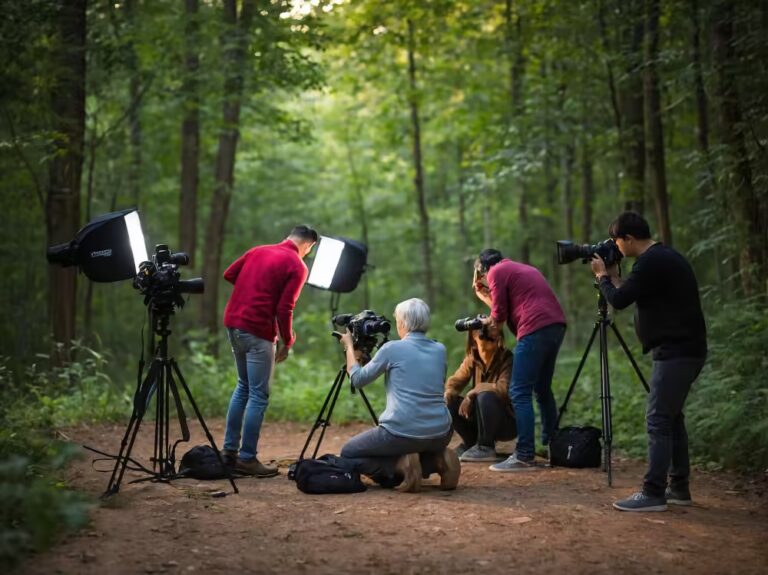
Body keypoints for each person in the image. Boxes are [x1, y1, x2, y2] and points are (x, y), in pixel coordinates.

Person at [591, 211, 706, 512]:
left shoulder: (652, 261)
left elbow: (617, 300)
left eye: (617, 242)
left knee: (657, 419)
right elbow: (628, 291)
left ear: (629, 238)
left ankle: (653, 492)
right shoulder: (662, 257)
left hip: (677, 352)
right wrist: (614, 277)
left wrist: (603, 277)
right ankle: (678, 487)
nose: (616, 247)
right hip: (685, 349)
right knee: (671, 418)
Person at [220, 225, 318, 477]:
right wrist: (288, 340)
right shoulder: (297, 265)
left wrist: (250, 290)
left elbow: (229, 274)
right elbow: (285, 308)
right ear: (308, 245)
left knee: (243, 386)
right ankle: (247, 459)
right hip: (257, 330)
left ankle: (229, 452)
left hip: (233, 324)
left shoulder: (258, 251)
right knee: (258, 395)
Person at [338, 298, 460, 492]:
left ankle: (402, 467)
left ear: (402, 323)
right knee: (418, 445)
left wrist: (349, 347)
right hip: (441, 432)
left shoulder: (391, 349)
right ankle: (439, 461)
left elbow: (357, 379)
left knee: (349, 453)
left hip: (402, 432)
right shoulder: (440, 349)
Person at [473, 249, 567, 471]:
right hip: (555, 326)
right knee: (542, 389)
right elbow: (504, 309)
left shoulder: (495, 272)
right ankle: (553, 445)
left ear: (482, 269)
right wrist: (487, 296)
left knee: (519, 391)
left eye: (480, 274)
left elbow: (498, 319)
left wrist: (481, 295)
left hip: (534, 328)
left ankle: (524, 454)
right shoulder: (521, 268)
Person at [444, 323, 517, 462]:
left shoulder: (507, 358)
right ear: (473, 342)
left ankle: (485, 446)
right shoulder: (472, 358)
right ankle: (472, 444)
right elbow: (456, 380)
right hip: (481, 418)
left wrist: (475, 391)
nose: (489, 337)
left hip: (506, 421)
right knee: (450, 401)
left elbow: (504, 389)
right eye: (483, 335)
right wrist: (449, 391)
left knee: (485, 396)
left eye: (492, 335)